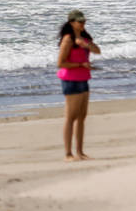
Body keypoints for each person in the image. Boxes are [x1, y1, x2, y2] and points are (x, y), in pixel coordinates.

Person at [56, 10, 100, 161]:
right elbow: (61, 63)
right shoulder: (68, 39)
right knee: (70, 117)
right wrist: (81, 63)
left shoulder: (84, 38)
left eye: (84, 22)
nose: (82, 24)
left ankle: (80, 152)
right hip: (70, 80)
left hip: (83, 79)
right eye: (79, 22)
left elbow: (98, 51)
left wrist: (86, 44)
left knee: (82, 117)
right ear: (71, 23)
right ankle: (68, 154)